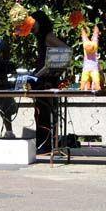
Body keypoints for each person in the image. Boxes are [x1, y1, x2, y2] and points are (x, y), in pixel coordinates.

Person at [30, 10, 69, 152]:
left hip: (46, 79)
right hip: (41, 78)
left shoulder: (48, 36)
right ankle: (44, 143)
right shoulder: (41, 37)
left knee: (44, 113)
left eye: (34, 23)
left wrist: (51, 65)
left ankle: (46, 144)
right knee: (40, 112)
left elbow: (65, 49)